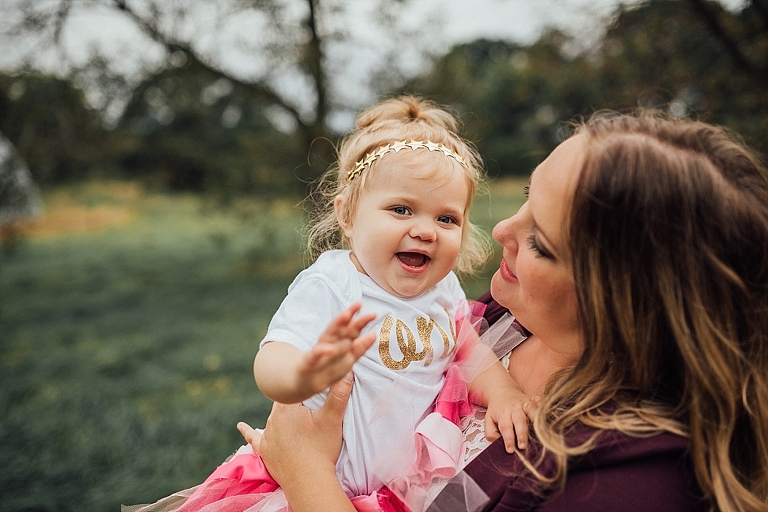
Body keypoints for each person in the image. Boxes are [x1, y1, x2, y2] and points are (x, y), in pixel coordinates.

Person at [240, 110, 768, 512]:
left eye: (540, 241)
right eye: (524, 197)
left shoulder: (627, 481)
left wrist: (307, 475)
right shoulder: (502, 317)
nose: (499, 232)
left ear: (621, 301)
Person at [124, 96, 532, 512]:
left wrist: (503, 392)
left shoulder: (442, 289)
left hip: (395, 490)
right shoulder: (334, 284)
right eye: (401, 209)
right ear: (348, 215)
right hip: (307, 487)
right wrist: (302, 375)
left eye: (447, 219)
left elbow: (469, 351)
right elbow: (272, 358)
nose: (425, 230)